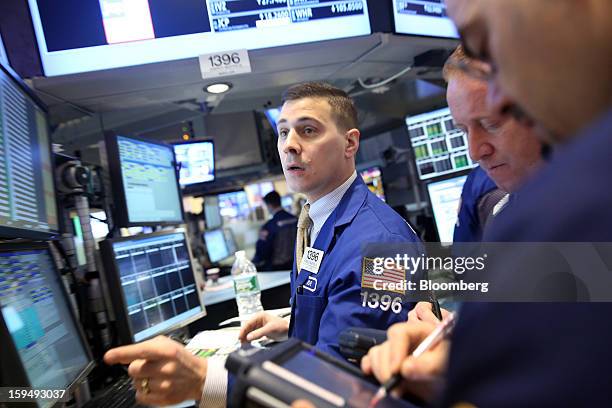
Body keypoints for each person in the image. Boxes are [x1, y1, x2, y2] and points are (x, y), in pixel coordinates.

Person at [104, 82, 422, 407]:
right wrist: (292, 325)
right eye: (284, 133)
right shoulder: (318, 217)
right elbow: (343, 320)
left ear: (350, 143)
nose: (290, 146)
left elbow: (341, 382)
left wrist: (204, 380)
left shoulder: (382, 245)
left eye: (308, 130)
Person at [364, 1, 612, 406]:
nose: (476, 149)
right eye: (462, 129)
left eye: (492, 124)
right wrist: (459, 335)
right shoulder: (496, 199)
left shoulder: (573, 207)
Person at [252, 190, 297, 270]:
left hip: (276, 268)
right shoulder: (296, 219)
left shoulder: (269, 226)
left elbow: (262, 252)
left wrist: (253, 262)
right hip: (295, 265)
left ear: (268, 205)